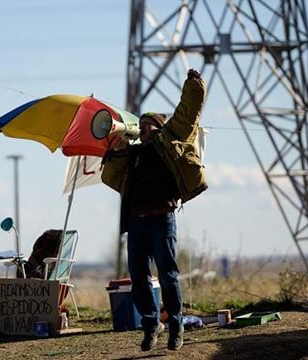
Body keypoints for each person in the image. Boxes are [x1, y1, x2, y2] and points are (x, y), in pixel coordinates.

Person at [101, 68, 207, 351]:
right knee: (138, 277)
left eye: (148, 125)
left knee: (168, 275)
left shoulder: (169, 139)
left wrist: (193, 84)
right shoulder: (133, 154)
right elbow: (110, 178)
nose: (142, 129)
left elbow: (188, 111)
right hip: (136, 223)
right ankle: (151, 324)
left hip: (162, 218)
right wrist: (117, 153)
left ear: (159, 128)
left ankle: (176, 326)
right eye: (141, 125)